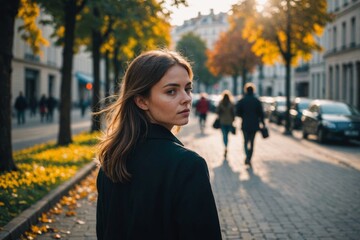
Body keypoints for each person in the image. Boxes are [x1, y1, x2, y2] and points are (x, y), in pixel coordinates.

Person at [96, 49, 222, 240]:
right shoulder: (188, 166)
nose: (187, 98)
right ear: (141, 101)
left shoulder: (111, 160)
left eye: (188, 89)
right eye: (171, 91)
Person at [236, 82, 265, 167]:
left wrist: (243, 116)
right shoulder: (256, 101)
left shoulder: (242, 100)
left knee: (245, 141)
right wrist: (262, 123)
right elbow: (261, 114)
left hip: (245, 124)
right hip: (254, 125)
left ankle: (247, 156)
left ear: (246, 90)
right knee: (252, 142)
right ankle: (249, 157)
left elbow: (237, 112)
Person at [216, 90, 235, 158]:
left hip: (222, 122)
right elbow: (233, 113)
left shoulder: (221, 103)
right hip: (229, 122)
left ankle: (225, 146)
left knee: (224, 135)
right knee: (227, 135)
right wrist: (233, 120)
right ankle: (226, 145)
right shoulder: (231, 103)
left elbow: (217, 112)